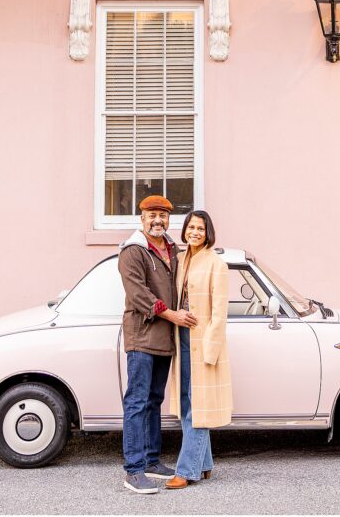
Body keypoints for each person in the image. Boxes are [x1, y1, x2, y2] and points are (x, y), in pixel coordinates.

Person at [118, 194, 198, 495]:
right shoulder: (133, 251)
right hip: (141, 336)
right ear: (142, 219)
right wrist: (174, 315)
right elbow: (138, 295)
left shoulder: (172, 250)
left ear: (168, 220)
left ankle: (152, 460)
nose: (157, 221)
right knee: (137, 402)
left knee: (154, 400)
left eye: (163, 216)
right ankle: (134, 470)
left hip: (164, 338)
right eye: (152, 215)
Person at [165, 210, 232, 489]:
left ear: (208, 233)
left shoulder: (217, 264)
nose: (194, 232)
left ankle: (187, 469)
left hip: (203, 341)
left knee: (198, 404)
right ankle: (204, 465)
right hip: (181, 338)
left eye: (200, 229)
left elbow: (220, 313)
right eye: (191, 227)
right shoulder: (180, 259)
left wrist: (210, 350)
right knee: (186, 401)